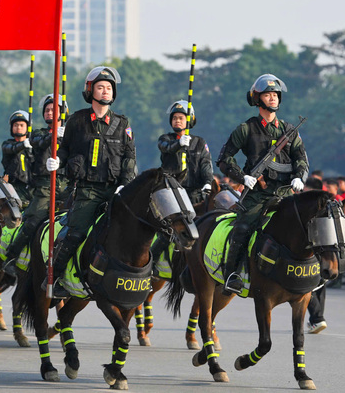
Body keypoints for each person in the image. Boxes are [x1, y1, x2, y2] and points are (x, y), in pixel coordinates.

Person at [44, 66, 136, 297]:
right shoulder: (77, 120)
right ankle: (55, 278)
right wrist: (56, 160)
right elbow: (64, 149)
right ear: (90, 90)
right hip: (87, 190)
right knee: (76, 232)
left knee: (135, 229)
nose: (105, 92)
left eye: (108, 88)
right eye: (100, 87)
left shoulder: (123, 124)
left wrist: (127, 183)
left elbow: (129, 157)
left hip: (115, 189)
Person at [216, 74, 309, 294]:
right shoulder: (246, 129)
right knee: (243, 228)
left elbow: (301, 158)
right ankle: (232, 274)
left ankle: (311, 275)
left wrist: (299, 176)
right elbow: (224, 158)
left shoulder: (289, 130)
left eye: (275, 95)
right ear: (258, 99)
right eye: (268, 95)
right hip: (258, 193)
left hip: (286, 192)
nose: (273, 98)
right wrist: (242, 177)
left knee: (307, 227)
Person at [3, 94, 69, 273]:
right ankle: (11, 256)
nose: (49, 113)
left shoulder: (71, 133)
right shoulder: (38, 134)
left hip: (68, 186)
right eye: (46, 110)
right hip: (45, 186)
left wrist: (66, 135)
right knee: (32, 221)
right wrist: (54, 135)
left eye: (53, 110)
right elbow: (38, 143)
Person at [149, 101, 214, 263]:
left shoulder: (199, 142)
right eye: (175, 118)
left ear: (190, 120)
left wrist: (208, 182)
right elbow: (165, 147)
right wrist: (178, 144)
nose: (177, 121)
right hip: (172, 193)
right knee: (168, 233)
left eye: (181, 118)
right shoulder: (166, 138)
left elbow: (205, 164)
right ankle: (151, 265)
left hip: (194, 194)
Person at [304, 176, 328, 333]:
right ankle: (316, 319)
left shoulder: (308, 206)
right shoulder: (327, 205)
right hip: (324, 249)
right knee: (320, 284)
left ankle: (318, 318)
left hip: (310, 247)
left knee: (306, 284)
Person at [1, 110, 34, 209]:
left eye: (21, 125)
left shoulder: (34, 146)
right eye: (15, 125)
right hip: (14, 187)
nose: (18, 127)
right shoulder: (7, 144)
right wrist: (23, 145)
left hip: (32, 188)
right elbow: (12, 149)